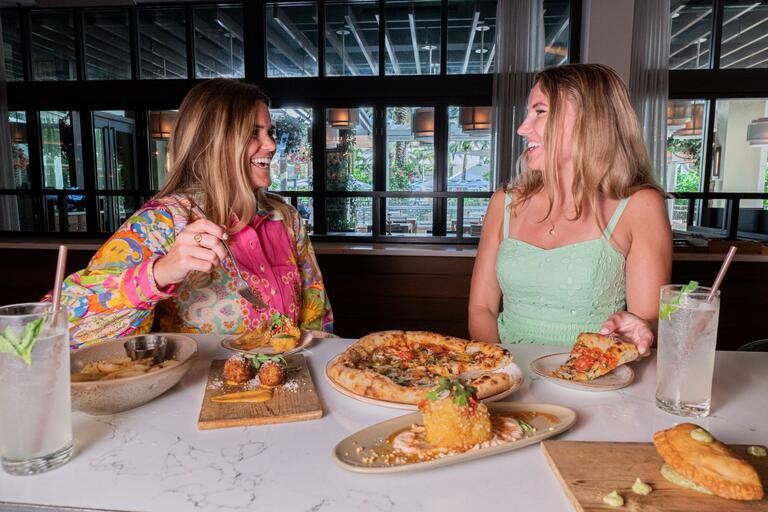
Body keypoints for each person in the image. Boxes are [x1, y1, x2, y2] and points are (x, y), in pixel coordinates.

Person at [56, 79, 333, 348]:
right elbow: (64, 328)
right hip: (195, 392)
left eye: (269, 132)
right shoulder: (161, 221)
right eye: (253, 132)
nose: (271, 145)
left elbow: (315, 316)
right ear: (212, 142)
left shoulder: (285, 218)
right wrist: (160, 273)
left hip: (288, 389)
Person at [468, 64, 672, 354]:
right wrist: (504, 367)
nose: (522, 128)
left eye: (540, 112)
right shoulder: (503, 202)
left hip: (594, 384)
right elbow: (481, 308)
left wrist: (641, 331)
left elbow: (647, 324)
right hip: (507, 378)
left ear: (592, 120)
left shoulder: (641, 206)